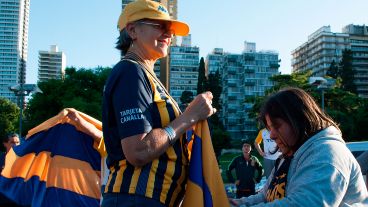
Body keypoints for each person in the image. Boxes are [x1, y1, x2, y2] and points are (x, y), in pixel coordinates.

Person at [101, 1, 216, 206]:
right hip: (135, 198)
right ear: (133, 30)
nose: (168, 34)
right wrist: (189, 117)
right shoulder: (130, 71)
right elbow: (138, 150)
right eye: (159, 26)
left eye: (170, 30)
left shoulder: (145, 75)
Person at [230, 87, 368, 206]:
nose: (271, 136)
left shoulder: (327, 154)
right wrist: (235, 204)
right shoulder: (287, 156)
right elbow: (265, 196)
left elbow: (302, 204)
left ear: (300, 120)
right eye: (269, 128)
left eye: (276, 126)